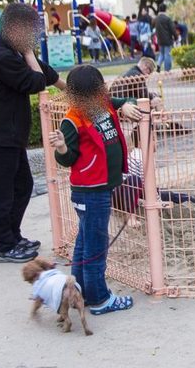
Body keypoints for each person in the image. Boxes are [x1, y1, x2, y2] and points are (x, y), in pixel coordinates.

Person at [0, 3, 66, 263]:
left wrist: (68, 88)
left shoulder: (11, 52)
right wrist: (28, 52)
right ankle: (3, 244)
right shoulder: (2, 57)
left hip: (9, 136)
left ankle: (13, 236)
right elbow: (36, 81)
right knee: (1, 192)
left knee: (22, 186)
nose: (34, 37)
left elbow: (43, 71)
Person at [48, 65, 143, 314]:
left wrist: (126, 105)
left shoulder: (104, 103)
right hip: (90, 191)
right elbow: (68, 159)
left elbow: (125, 99)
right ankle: (100, 299)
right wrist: (61, 148)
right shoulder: (73, 119)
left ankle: (80, 292)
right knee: (95, 248)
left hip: (101, 188)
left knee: (84, 244)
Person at [155, 3, 176, 72]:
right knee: (167, 54)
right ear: (165, 9)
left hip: (160, 39)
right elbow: (172, 29)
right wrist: (175, 37)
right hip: (167, 39)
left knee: (161, 53)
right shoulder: (167, 19)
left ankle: (158, 65)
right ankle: (167, 70)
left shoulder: (156, 19)